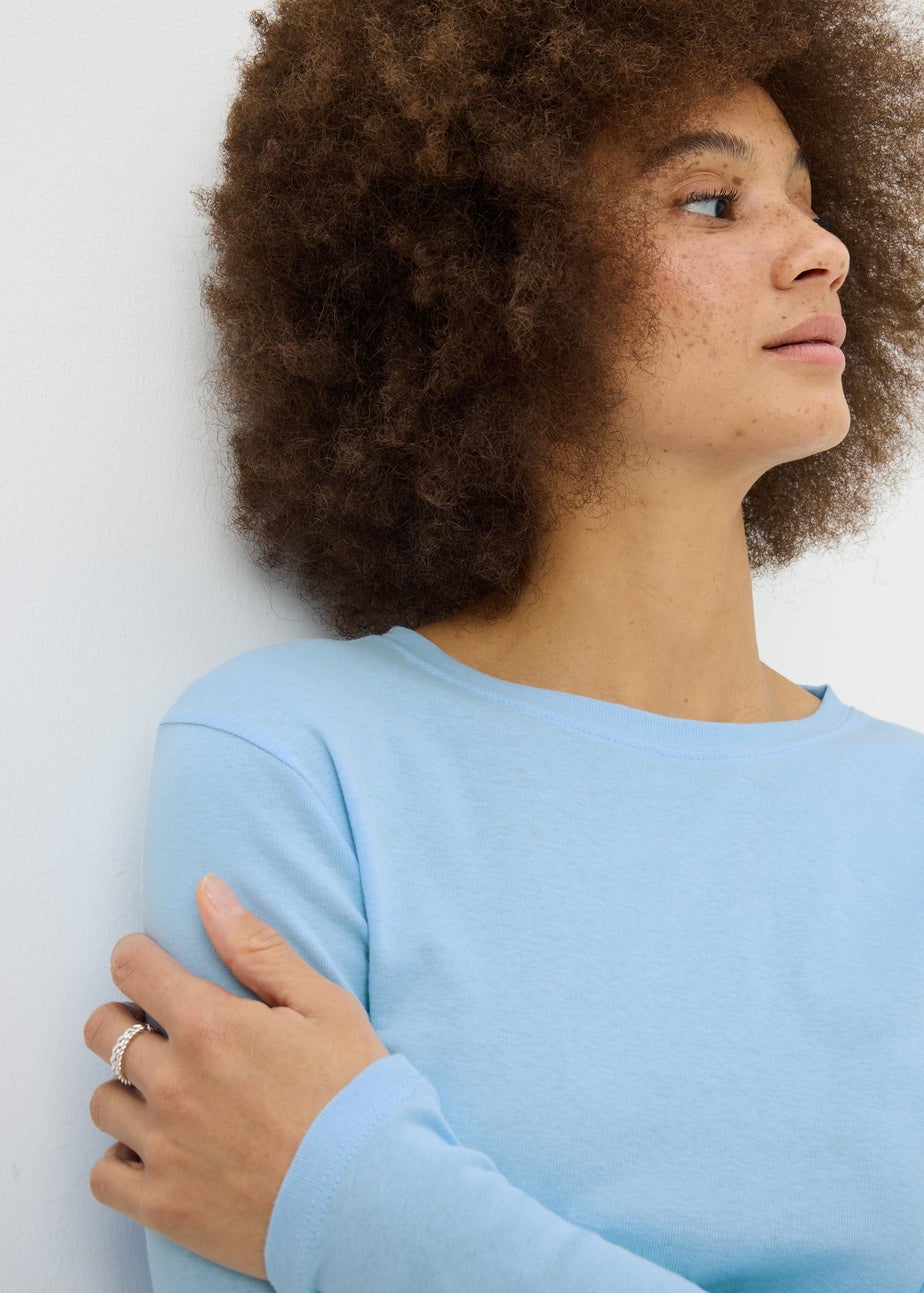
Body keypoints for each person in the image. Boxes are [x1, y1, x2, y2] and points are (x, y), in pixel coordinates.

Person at [84, 0, 924, 1288]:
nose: (823, 252)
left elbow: (306, 1202)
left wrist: (351, 1195)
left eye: (811, 200)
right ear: (500, 268)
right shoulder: (296, 761)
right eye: (713, 201)